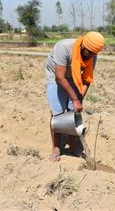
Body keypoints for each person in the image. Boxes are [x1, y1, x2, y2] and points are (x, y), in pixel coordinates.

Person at [45, 31, 105, 162]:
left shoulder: (92, 55)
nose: (91, 56)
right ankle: (56, 147)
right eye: (89, 53)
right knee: (57, 111)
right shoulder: (64, 47)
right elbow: (60, 78)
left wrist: (79, 99)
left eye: (94, 54)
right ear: (83, 46)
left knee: (73, 111)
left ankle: (73, 145)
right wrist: (75, 99)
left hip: (74, 76)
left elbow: (86, 80)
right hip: (55, 75)